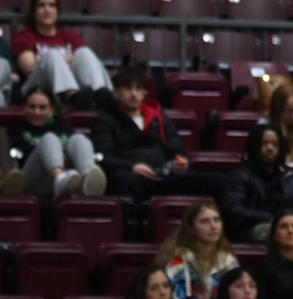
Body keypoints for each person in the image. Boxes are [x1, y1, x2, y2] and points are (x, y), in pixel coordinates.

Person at [92, 65, 221, 202]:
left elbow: (177, 149)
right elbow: (103, 157)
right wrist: (132, 167)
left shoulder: (158, 116)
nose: (133, 94)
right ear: (116, 92)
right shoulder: (105, 120)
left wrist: (181, 163)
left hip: (164, 176)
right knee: (121, 179)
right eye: (128, 88)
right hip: (133, 177)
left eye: (138, 88)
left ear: (144, 93)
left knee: (218, 180)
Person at [221, 127, 293, 245]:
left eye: (275, 144)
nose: (270, 148)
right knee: (277, 232)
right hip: (255, 228)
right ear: (254, 146)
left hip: (288, 225)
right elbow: (234, 210)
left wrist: (291, 220)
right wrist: (267, 218)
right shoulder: (239, 175)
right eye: (264, 143)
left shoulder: (291, 175)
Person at [12, 0, 112, 102]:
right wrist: (63, 60)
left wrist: (59, 63)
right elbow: (29, 69)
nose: (47, 10)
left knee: (84, 53)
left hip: (75, 84)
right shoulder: (24, 37)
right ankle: (71, 96)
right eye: (41, 5)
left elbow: (84, 62)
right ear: (33, 10)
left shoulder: (70, 36)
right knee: (52, 55)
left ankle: (99, 94)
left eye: (52, 5)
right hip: (36, 91)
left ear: (58, 10)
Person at [8, 87, 104, 200]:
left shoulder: (62, 127)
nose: (36, 112)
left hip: (70, 179)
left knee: (78, 138)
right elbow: (23, 156)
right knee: (49, 138)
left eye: (42, 108)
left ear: (51, 109)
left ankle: (89, 180)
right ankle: (59, 177)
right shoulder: (16, 129)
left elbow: (74, 152)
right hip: (33, 180)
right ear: (24, 108)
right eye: (32, 107)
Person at [159, 199, 239, 299]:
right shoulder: (178, 267)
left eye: (216, 220)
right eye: (205, 221)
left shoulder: (229, 264)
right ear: (191, 228)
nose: (213, 226)